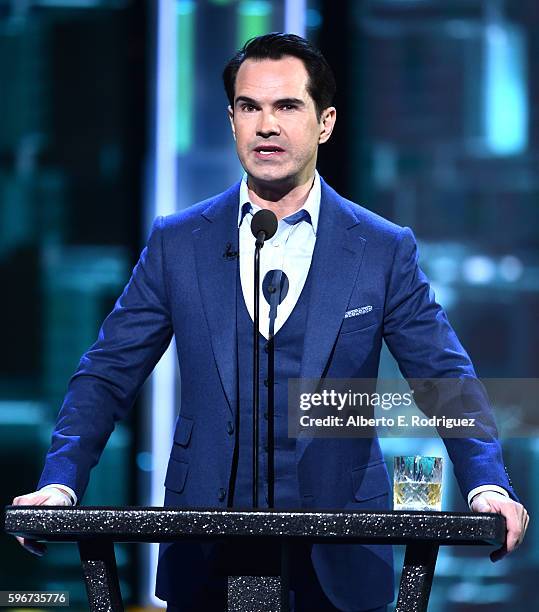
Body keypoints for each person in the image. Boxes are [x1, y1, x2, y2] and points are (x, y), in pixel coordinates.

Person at [13, 33, 528, 612]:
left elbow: (443, 376)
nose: (266, 126)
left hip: (340, 547)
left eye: (287, 107)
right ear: (231, 121)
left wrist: (486, 484)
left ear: (325, 122)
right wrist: (60, 484)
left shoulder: (381, 249)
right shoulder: (178, 243)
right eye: (250, 107)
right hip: (205, 547)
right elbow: (108, 374)